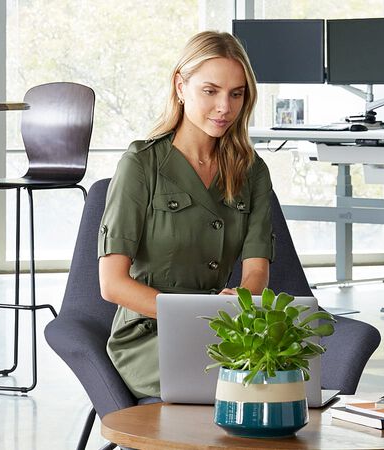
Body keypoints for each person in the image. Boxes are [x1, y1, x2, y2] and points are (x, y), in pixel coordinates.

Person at [99, 31, 276, 399]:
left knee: (284, 386)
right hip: (150, 336)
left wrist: (239, 302)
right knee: (235, 390)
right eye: (210, 91)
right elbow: (112, 284)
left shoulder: (253, 171)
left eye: (236, 93)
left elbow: (256, 269)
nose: (224, 107)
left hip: (223, 331)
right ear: (181, 86)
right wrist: (197, 319)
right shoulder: (141, 164)